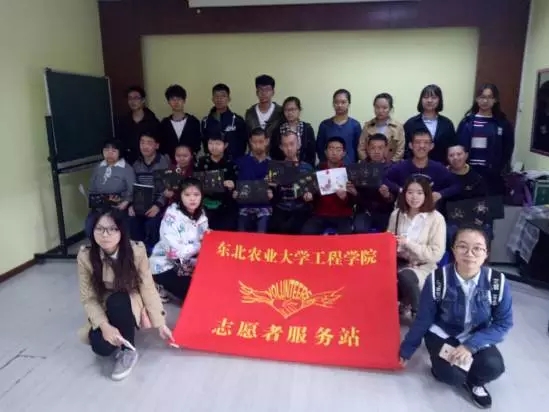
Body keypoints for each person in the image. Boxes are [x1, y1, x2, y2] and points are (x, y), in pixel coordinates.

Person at [399, 225, 512, 409]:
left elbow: (503, 323)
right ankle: (443, 369)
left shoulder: (497, 282)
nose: (469, 254)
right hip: (443, 334)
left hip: (476, 335)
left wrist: (470, 346)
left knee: (494, 367)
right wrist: (407, 349)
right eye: (462, 246)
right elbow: (423, 319)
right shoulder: (437, 279)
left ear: (486, 253)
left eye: (477, 248)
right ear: (453, 250)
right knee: (451, 375)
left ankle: (475, 383)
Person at [77, 209, 172, 381]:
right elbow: (88, 297)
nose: (105, 235)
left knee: (118, 301)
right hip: (103, 302)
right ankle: (115, 331)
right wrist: (104, 326)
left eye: (112, 229)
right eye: (99, 229)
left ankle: (129, 350)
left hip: (129, 298)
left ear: (122, 230)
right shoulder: (86, 256)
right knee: (101, 348)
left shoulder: (136, 252)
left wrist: (160, 323)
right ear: (92, 230)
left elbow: (147, 287)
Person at [387, 175, 446, 317]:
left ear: (426, 195)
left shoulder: (436, 218)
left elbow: (436, 254)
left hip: (423, 267)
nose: (414, 197)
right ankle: (398, 304)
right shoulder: (396, 214)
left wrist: (408, 244)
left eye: (419, 193)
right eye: (410, 192)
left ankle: (418, 313)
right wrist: (393, 244)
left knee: (406, 276)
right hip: (398, 264)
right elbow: (387, 243)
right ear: (404, 193)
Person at [150, 178, 209, 303]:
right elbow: (174, 252)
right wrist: (200, 245)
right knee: (195, 297)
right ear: (180, 196)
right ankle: (156, 282)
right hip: (166, 265)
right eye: (187, 195)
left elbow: (205, 237)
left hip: (189, 264)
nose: (192, 199)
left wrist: (211, 237)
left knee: (211, 287)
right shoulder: (172, 215)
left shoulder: (201, 214)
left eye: (196, 194)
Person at [457, 83, 515, 195]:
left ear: (495, 100)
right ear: (477, 99)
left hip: (492, 174)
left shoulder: (502, 124)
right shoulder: (466, 122)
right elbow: (458, 147)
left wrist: (499, 168)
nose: (485, 101)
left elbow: (508, 149)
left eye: (489, 97)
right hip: (468, 172)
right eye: (482, 97)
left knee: (490, 204)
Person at [385, 128, 461, 205]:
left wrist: (441, 194)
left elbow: (457, 185)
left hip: (431, 210)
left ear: (431, 146)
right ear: (410, 145)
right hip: (405, 210)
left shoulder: (439, 168)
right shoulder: (400, 167)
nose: (422, 146)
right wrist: (400, 189)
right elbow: (384, 179)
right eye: (417, 142)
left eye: (426, 142)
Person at [302, 137, 356, 235]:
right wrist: (309, 196)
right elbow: (311, 193)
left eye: (338, 149)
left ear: (344, 153)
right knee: (307, 231)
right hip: (320, 214)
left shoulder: (349, 172)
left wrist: (345, 197)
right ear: (326, 152)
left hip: (343, 215)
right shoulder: (318, 170)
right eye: (331, 149)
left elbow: (354, 201)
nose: (334, 153)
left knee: (346, 235)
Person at [129, 132, 170, 250]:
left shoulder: (164, 162)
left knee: (153, 223)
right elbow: (133, 187)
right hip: (141, 203)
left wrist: (158, 205)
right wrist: (132, 204)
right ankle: (138, 252)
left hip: (159, 204)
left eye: (149, 143)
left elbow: (168, 189)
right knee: (133, 220)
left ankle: (153, 252)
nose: (145, 146)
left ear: (156, 145)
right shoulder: (136, 164)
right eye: (142, 143)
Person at [86, 139, 135, 237]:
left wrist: (126, 202)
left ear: (120, 152)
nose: (109, 154)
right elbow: (92, 188)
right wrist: (93, 201)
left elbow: (132, 190)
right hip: (100, 206)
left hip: (118, 206)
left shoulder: (127, 169)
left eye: (113, 151)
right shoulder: (98, 167)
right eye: (106, 150)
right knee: (90, 225)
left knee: (113, 228)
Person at [269, 131, 314, 234]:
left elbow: (312, 191)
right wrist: (270, 190)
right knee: (274, 228)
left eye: (292, 144)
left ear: (298, 145)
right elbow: (271, 193)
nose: (289, 148)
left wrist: (310, 195)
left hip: (300, 209)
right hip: (280, 208)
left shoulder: (307, 168)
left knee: (295, 227)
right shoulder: (275, 168)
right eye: (285, 145)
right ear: (281, 147)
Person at [194, 134, 238, 231]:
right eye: (210, 143)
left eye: (218, 144)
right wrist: (221, 183)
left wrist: (232, 185)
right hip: (204, 204)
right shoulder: (202, 162)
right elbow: (197, 183)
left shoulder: (231, 163)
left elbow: (234, 185)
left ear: (225, 145)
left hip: (225, 205)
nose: (214, 147)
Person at [403, 84, 457, 163]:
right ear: (421, 100)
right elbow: (405, 150)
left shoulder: (447, 124)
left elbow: (452, 149)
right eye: (426, 97)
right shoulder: (410, 124)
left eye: (434, 97)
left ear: (439, 100)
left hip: (441, 166)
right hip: (415, 167)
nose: (429, 100)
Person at [353, 134, 395, 233]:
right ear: (367, 149)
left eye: (380, 148)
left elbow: (397, 197)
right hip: (364, 211)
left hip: (386, 212)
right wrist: (354, 193)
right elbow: (355, 199)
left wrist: (387, 196)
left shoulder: (394, 168)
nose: (376, 151)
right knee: (359, 230)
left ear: (386, 149)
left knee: (389, 233)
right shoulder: (359, 168)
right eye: (373, 148)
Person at [234, 128, 272, 233]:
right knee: (241, 234)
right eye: (255, 142)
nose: (258, 145)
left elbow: (277, 189)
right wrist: (234, 192)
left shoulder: (273, 164)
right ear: (250, 142)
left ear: (267, 141)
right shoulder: (240, 163)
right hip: (244, 207)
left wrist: (272, 193)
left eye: (261, 142)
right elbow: (234, 185)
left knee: (262, 233)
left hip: (264, 208)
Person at [201, 83, 247, 160]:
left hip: (233, 162)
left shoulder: (237, 120)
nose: (219, 99)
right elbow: (205, 145)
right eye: (216, 96)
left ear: (229, 99)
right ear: (212, 99)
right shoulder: (205, 122)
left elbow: (242, 145)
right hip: (213, 163)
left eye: (223, 96)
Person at [316, 89, 362, 165]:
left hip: (349, 167)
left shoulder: (355, 125)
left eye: (343, 102)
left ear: (349, 104)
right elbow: (320, 148)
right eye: (336, 102)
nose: (339, 105)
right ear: (333, 104)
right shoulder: (324, 125)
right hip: (329, 168)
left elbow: (358, 148)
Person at [116, 86, 160, 164]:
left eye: (136, 98)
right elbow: (120, 143)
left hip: (148, 163)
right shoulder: (123, 121)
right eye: (130, 98)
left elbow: (158, 145)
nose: (133, 101)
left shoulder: (153, 121)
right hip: (128, 162)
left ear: (143, 100)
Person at [158, 84, 201, 162]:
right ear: (168, 102)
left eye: (179, 99)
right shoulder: (164, 124)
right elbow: (162, 147)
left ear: (184, 100)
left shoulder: (193, 122)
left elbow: (197, 146)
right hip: (170, 164)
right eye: (172, 99)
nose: (176, 102)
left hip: (190, 164)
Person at [358, 93, 405, 162]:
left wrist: (391, 163)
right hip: (370, 164)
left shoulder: (398, 127)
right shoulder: (367, 126)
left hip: (391, 165)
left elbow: (400, 150)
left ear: (391, 109)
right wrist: (367, 162)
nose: (380, 111)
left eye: (384, 108)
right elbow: (361, 148)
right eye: (377, 107)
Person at [270, 96, 316, 166]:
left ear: (299, 110)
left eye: (293, 109)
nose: (290, 113)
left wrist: (305, 167)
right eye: (286, 110)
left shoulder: (307, 129)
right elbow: (273, 153)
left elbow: (311, 153)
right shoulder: (277, 130)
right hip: (283, 167)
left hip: (304, 168)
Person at [244, 74, 283, 138]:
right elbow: (248, 136)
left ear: (273, 92)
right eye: (261, 89)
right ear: (257, 92)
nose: (264, 93)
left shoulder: (280, 112)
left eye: (267, 89)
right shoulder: (250, 113)